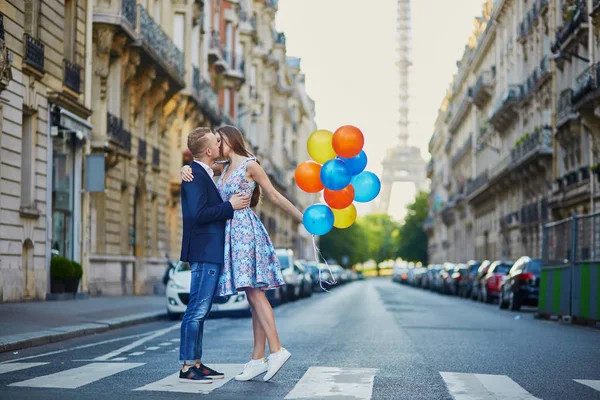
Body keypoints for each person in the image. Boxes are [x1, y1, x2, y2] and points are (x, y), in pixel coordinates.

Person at [181, 125, 303, 382]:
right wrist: (185, 168)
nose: (216, 144)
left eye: (218, 140)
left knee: (256, 293)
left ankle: (277, 350)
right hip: (230, 236)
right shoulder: (222, 168)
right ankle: (258, 358)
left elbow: (274, 196)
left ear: (227, 141)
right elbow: (198, 169)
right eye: (213, 141)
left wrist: (304, 219)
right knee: (251, 294)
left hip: (245, 234)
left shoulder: (250, 165)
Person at [178, 127, 251, 383]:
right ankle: (187, 366)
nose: (221, 145)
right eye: (216, 143)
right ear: (209, 151)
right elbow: (198, 214)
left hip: (209, 250)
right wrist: (229, 206)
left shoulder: (203, 172)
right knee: (196, 310)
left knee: (202, 310)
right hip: (204, 250)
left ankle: (196, 362)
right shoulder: (196, 176)